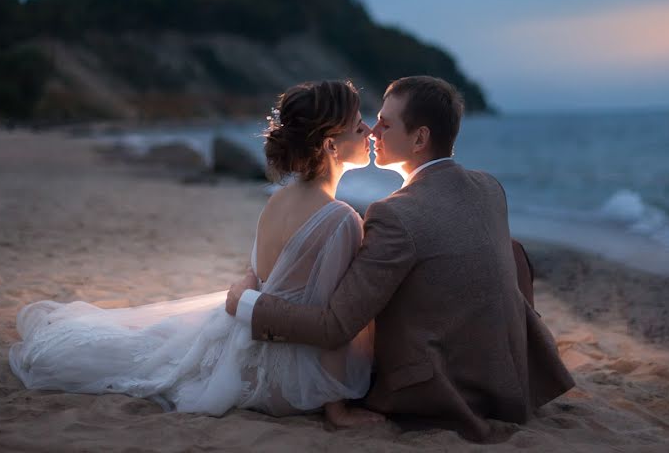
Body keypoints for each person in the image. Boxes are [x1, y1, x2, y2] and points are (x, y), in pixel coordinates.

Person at [9, 80, 383, 427]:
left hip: (246, 336)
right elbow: (333, 323)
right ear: (330, 145)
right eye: (358, 126)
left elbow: (260, 275)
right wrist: (337, 407)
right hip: (288, 368)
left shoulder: (277, 200)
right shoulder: (341, 220)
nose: (368, 132)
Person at [226, 76, 575, 441]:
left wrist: (246, 303)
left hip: (439, 390)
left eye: (386, 124)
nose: (373, 131)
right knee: (512, 249)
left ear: (420, 138)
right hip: (511, 380)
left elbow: (335, 328)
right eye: (373, 121)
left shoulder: (395, 215)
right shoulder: (489, 187)